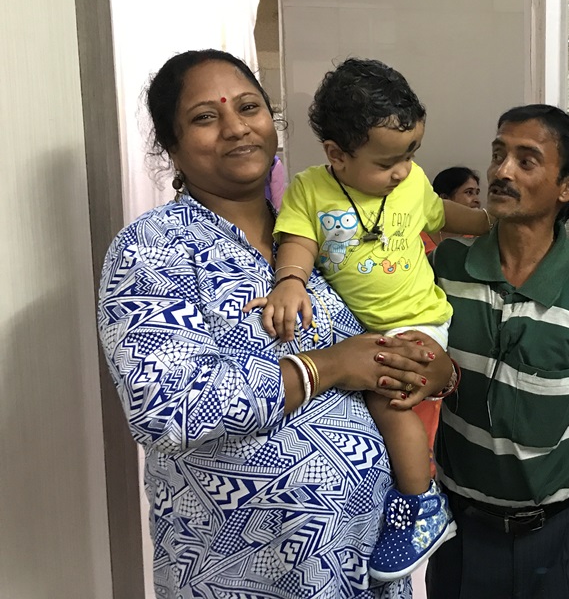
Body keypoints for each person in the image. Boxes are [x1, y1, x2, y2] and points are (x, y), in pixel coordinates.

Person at [97, 49, 455, 599]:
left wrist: (436, 372)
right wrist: (328, 367)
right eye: (205, 117)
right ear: (171, 145)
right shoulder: (153, 248)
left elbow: (392, 332)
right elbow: (165, 409)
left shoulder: (326, 229)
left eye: (249, 107)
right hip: (245, 577)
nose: (236, 127)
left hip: (363, 569)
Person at [253, 58, 491, 581]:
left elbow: (444, 214)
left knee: (387, 399)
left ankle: (422, 501)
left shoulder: (412, 183)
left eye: (411, 153)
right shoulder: (309, 190)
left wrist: (492, 223)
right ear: (336, 155)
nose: (403, 170)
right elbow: (298, 240)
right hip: (361, 332)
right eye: (387, 162)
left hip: (418, 319)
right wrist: (290, 280)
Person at [426, 105, 569, 599]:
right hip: (459, 527)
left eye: (526, 161)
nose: (501, 171)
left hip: (561, 532)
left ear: (568, 187)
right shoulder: (446, 267)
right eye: (498, 155)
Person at [422, 167, 482, 255]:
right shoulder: (416, 233)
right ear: (445, 198)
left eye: (477, 193)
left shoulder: (480, 240)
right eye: (469, 192)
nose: (477, 200)